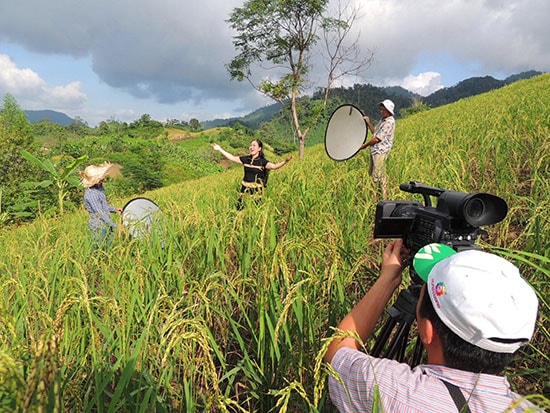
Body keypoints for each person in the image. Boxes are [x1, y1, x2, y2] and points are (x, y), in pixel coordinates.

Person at [325, 239, 541, 413]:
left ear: (427, 331)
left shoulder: (391, 391)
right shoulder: (529, 408)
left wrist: (387, 279)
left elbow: (337, 351)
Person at [211, 140, 292, 210]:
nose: (251, 147)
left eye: (254, 145)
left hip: (256, 192)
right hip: (244, 190)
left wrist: (285, 161)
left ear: (259, 149)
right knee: (240, 210)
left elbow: (274, 166)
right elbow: (232, 158)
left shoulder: (262, 162)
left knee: (255, 211)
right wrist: (220, 149)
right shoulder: (246, 159)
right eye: (250, 145)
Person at [359, 99, 396, 198]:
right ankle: (378, 196)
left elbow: (377, 139)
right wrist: (368, 123)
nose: (381, 111)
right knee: (375, 174)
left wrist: (365, 145)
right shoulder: (383, 120)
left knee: (377, 176)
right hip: (375, 151)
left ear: (388, 111)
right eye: (381, 109)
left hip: (380, 152)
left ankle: (376, 197)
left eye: (383, 110)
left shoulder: (389, 122)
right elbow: (375, 133)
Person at [80, 163, 122, 249]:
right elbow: (100, 212)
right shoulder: (92, 194)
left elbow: (103, 206)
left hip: (106, 224)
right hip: (99, 227)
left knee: (108, 248)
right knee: (97, 249)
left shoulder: (99, 188)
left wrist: (115, 209)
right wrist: (114, 225)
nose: (104, 177)